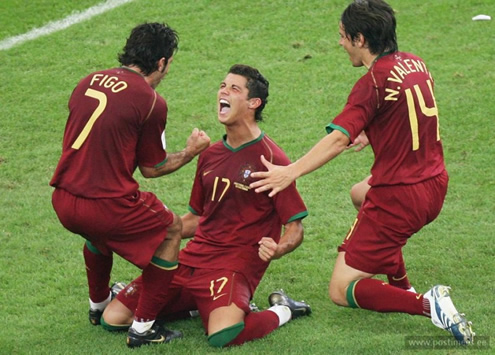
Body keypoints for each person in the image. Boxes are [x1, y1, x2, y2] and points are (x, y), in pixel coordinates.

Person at [249, 0, 475, 345]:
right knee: (359, 193)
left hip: (399, 197)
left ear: (359, 38)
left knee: (341, 290)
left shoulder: (371, 84)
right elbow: (410, 109)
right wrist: (375, 129)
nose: (340, 44)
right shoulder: (415, 63)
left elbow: (338, 139)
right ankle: (401, 283)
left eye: (342, 36)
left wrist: (289, 172)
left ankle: (430, 305)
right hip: (434, 184)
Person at [101, 64, 311, 348]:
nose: (223, 92)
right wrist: (148, 231)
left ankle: (284, 309)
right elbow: (197, 218)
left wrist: (279, 248)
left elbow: (295, 227)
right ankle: (199, 305)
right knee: (114, 318)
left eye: (234, 89)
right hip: (193, 259)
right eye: (223, 86)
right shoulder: (210, 155)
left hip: (234, 265)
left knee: (224, 334)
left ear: (253, 103)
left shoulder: (272, 159)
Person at [50, 22, 210, 348]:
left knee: (98, 235)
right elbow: (152, 168)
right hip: (105, 204)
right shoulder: (150, 101)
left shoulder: (87, 81)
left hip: (64, 198)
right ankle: (144, 328)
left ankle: (98, 306)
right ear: (162, 62)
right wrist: (191, 152)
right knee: (171, 231)